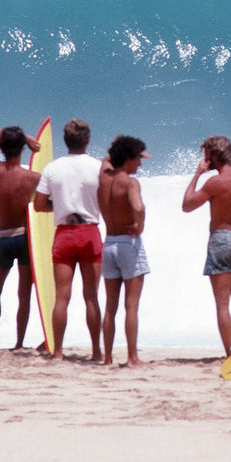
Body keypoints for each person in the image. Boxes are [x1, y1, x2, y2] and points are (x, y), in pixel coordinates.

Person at [181, 135, 231, 362]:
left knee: (222, 304)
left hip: (220, 238)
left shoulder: (215, 182)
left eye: (205, 154)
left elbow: (187, 205)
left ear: (213, 155)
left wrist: (197, 173)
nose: (204, 159)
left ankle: (230, 355)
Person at [32, 119, 103, 361]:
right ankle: (96, 352)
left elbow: (39, 205)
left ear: (65, 141)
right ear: (88, 140)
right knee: (91, 296)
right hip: (90, 232)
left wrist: (61, 205)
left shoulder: (52, 168)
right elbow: (106, 200)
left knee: (62, 296)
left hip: (64, 233)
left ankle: (58, 352)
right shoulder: (98, 167)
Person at [0, 125, 42, 349]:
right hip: (26, 239)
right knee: (24, 294)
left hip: (4, 239)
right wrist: (27, 140)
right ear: (22, 150)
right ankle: (19, 343)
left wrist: (24, 138)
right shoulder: (34, 178)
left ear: (3, 148)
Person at [99, 135, 151, 367]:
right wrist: (140, 225)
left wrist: (120, 148)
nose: (140, 163)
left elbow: (105, 159)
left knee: (110, 305)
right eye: (138, 158)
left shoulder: (103, 179)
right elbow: (138, 207)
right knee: (131, 305)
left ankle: (108, 357)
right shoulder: (130, 183)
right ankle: (132, 358)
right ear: (128, 158)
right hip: (128, 245)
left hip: (108, 242)